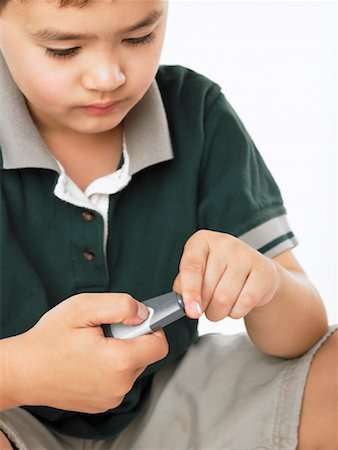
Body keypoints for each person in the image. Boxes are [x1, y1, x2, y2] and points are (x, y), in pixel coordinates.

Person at [0, 1, 336, 449]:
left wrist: (267, 284)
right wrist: (23, 373)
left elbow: (306, 332)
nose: (108, 78)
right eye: (65, 49)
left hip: (173, 405)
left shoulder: (196, 112)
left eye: (139, 37)